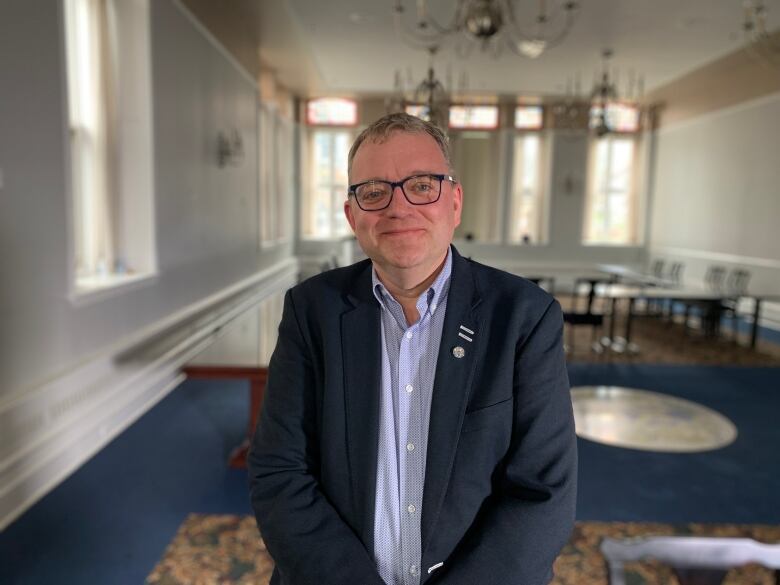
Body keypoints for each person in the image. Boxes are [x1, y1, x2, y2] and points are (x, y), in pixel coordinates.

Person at [248, 113, 577, 585]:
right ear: (352, 215)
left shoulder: (525, 316)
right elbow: (279, 470)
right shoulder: (310, 311)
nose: (398, 208)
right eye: (374, 191)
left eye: (422, 185)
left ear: (455, 202)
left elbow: (543, 491)